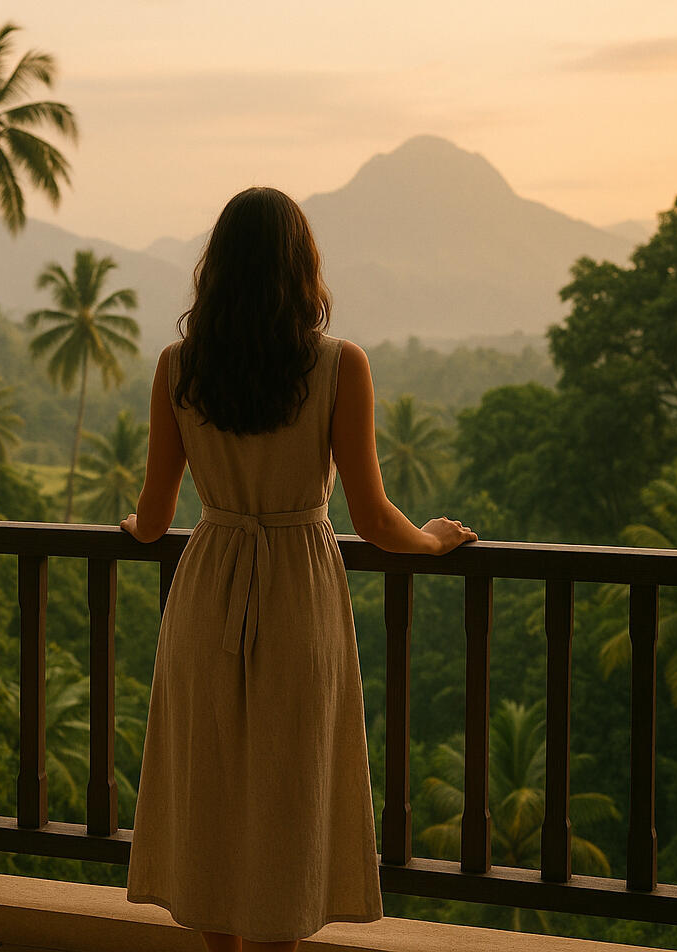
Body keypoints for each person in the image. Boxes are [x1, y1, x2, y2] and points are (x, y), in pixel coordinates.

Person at [120, 186, 477, 952]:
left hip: (208, 584)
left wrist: (131, 527)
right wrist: (436, 540)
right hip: (297, 591)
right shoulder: (337, 365)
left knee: (210, 782)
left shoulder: (179, 366)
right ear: (301, 269)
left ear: (215, 270)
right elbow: (376, 519)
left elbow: (154, 516)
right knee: (289, 786)